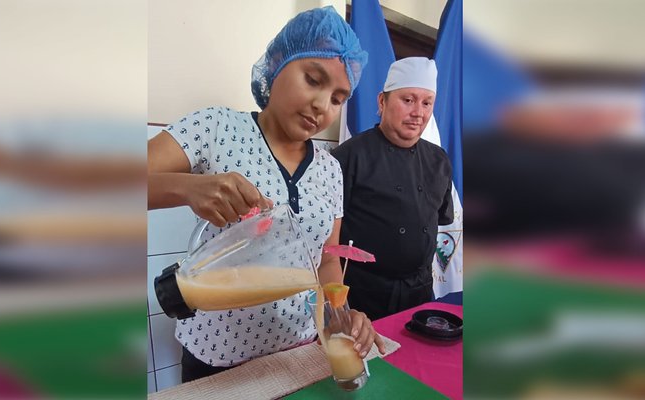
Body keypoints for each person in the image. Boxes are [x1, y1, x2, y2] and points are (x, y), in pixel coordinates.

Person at [148, 6, 385, 382]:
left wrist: (342, 317)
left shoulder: (330, 169)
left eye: (338, 98)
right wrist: (189, 187)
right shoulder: (217, 127)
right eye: (313, 79)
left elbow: (324, 261)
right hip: (218, 358)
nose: (322, 106)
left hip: (299, 356)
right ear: (276, 62)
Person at [331, 57, 454, 321]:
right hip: (362, 300)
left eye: (426, 103)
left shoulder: (439, 160)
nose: (418, 113)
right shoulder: (347, 157)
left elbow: (441, 218)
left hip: (419, 297)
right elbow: (326, 241)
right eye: (408, 100)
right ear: (381, 101)